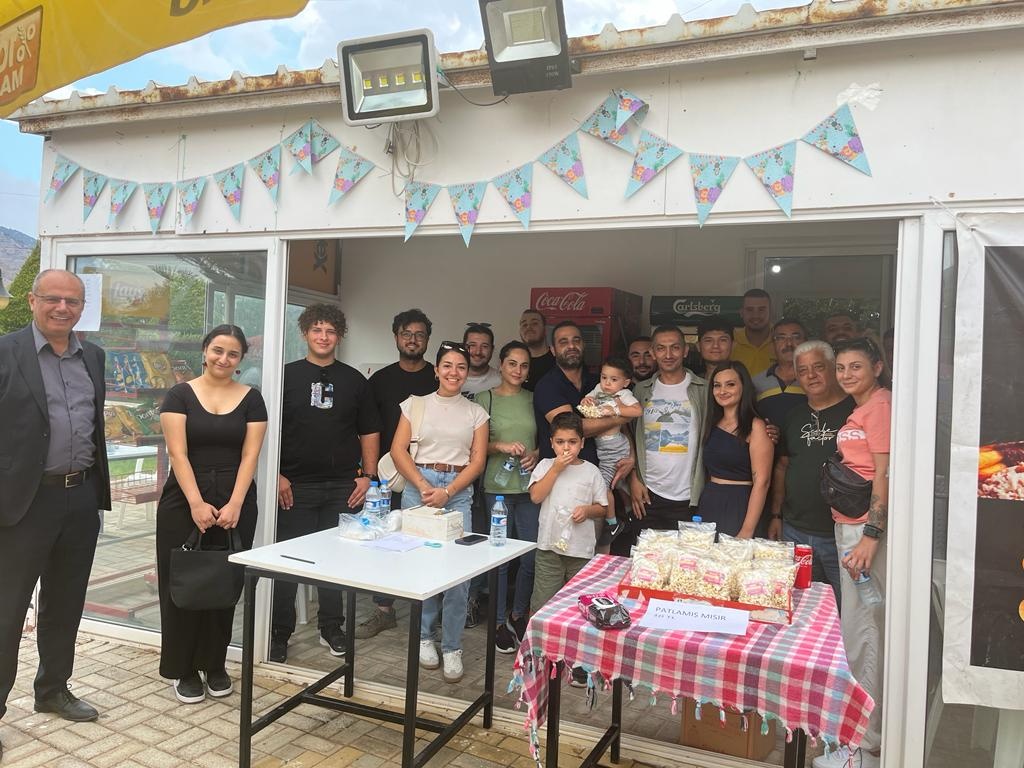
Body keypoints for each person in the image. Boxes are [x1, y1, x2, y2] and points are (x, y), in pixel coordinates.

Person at [0, 270, 111, 738]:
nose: (62, 308)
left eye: (73, 301)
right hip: (22, 503)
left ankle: (52, 690)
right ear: (32, 300)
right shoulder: (6, 352)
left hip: (80, 498)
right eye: (53, 298)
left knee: (65, 603)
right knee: (7, 610)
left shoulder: (94, 357)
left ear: (83, 307)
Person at [156, 324, 268, 704]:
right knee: (181, 583)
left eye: (233, 353)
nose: (224, 358)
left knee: (223, 583)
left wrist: (236, 502)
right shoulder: (179, 395)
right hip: (184, 499)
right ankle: (183, 668)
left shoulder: (252, 399)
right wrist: (195, 503)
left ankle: (215, 664)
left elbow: (251, 455)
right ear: (205, 351)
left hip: (236, 499)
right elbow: (178, 453)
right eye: (218, 350)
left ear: (241, 359)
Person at [269, 304, 381, 664]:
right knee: (287, 562)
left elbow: (369, 431)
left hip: (342, 487)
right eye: (316, 330)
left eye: (330, 331)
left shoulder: (355, 381)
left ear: (340, 336)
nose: (323, 336)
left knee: (336, 561)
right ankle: (279, 632)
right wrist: (274, 475)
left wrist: (368, 476)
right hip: (293, 488)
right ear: (305, 333)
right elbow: (265, 429)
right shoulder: (284, 376)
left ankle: (332, 627)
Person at [390, 341, 489, 684]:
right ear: (436, 370)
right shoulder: (414, 405)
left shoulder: (476, 413)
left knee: (458, 572)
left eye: (461, 367)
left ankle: (452, 645)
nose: (453, 372)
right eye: (447, 365)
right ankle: (424, 638)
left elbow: (477, 461)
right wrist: (422, 484)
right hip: (419, 485)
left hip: (457, 492)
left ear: (467, 372)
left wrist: (448, 491)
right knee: (422, 565)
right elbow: (398, 450)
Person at [814, 337, 891, 768]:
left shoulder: (880, 406)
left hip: (863, 532)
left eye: (855, 366)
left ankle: (863, 745)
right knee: (858, 629)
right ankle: (863, 737)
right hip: (852, 526)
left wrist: (871, 535)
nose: (845, 375)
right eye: (841, 367)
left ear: (877, 367)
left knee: (863, 632)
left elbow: (885, 474)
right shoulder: (864, 407)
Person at [358, 309, 437, 640]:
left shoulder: (438, 376)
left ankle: (429, 616)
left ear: (427, 340)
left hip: (431, 475)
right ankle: (384, 610)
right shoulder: (380, 380)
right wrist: (370, 474)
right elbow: (369, 428)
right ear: (396, 337)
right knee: (386, 541)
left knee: (430, 543)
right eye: (407, 334)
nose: (413, 340)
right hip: (389, 475)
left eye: (419, 335)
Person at [767, 341, 853, 609]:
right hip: (796, 532)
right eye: (803, 371)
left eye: (818, 367)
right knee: (802, 607)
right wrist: (776, 515)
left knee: (846, 612)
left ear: (833, 368)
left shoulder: (855, 412)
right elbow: (782, 466)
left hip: (841, 535)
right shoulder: (794, 416)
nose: (811, 375)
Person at [475, 341, 540, 653]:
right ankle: (498, 621)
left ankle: (518, 614)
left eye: (524, 365)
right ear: (500, 365)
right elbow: (474, 445)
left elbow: (548, 439)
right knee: (499, 558)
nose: (518, 370)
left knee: (530, 557)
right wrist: (500, 446)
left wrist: (537, 454)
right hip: (497, 489)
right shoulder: (484, 399)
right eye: (512, 363)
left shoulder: (534, 398)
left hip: (529, 488)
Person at [629, 325, 708, 532]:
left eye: (675, 347)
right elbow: (629, 436)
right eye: (661, 348)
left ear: (685, 350)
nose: (668, 354)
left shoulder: (704, 389)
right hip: (648, 493)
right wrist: (633, 478)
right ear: (653, 353)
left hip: (689, 496)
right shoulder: (641, 390)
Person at [528, 412, 608, 614]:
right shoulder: (545, 466)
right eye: (560, 442)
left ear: (582, 443)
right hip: (549, 549)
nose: (566, 447)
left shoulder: (591, 471)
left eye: (572, 442)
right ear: (551, 443)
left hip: (580, 551)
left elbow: (603, 508)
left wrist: (587, 510)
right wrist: (555, 470)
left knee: (580, 606)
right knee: (542, 604)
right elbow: (536, 496)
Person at [697, 362, 773, 537]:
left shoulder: (756, 426)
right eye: (717, 385)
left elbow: (762, 481)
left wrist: (747, 530)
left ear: (743, 387)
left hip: (740, 504)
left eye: (730, 384)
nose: (722, 391)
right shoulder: (711, 423)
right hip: (710, 501)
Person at [578, 357, 642, 534]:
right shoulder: (599, 389)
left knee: (602, 485)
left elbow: (637, 410)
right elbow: (587, 398)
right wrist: (587, 401)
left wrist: (615, 410)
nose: (607, 383)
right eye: (604, 377)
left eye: (614, 379)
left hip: (615, 446)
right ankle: (628, 511)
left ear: (625, 382)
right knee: (617, 483)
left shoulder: (623, 395)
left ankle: (612, 523)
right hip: (603, 447)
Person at [752, 318, 808, 428]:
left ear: (806, 342)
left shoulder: (815, 378)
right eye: (781, 338)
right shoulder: (756, 382)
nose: (789, 344)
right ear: (772, 345)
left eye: (796, 337)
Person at [731, 289, 774, 376]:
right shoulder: (730, 340)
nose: (755, 315)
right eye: (750, 310)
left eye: (761, 309)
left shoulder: (782, 340)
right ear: (741, 313)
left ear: (771, 312)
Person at [462, 322, 501, 398]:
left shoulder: (501, 382)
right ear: (464, 347)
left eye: (484, 346)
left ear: (492, 349)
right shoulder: (450, 379)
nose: (478, 352)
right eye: (472, 345)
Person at [520, 309, 555, 391]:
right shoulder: (516, 364)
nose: (528, 327)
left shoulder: (559, 360)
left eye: (534, 323)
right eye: (524, 324)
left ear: (545, 329)